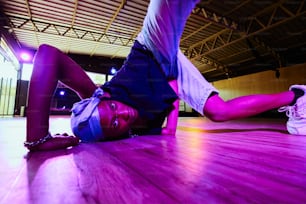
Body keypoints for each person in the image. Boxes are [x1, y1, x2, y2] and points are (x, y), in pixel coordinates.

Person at [25, 0, 306, 151]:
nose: (121, 115)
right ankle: (297, 96)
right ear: (115, 137)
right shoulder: (133, 130)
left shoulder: (95, 98)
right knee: (220, 112)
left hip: (152, 49)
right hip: (170, 73)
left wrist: (38, 138)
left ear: (104, 98)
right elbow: (169, 128)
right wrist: (171, 94)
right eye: (115, 125)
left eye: (113, 109)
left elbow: (48, 54)